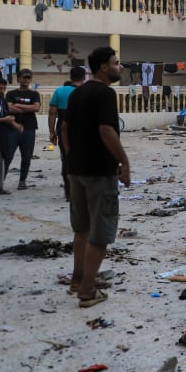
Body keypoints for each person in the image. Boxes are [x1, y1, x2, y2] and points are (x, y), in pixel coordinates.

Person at [62, 46, 128, 309]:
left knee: (82, 228)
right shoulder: (105, 93)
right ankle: (87, 291)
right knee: (100, 233)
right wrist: (124, 161)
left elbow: (64, 127)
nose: (119, 67)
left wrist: (71, 155)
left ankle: (78, 280)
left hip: (76, 170)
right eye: (116, 62)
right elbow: (106, 131)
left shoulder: (78, 93)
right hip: (100, 172)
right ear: (103, 67)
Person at [48, 67, 86, 200]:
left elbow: (52, 113)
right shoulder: (86, 92)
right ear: (84, 76)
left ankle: (69, 191)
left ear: (70, 76)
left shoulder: (59, 91)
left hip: (63, 128)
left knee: (66, 159)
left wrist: (52, 132)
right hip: (82, 129)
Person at [6, 69, 41, 191]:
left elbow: (36, 108)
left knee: (26, 156)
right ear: (19, 79)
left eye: (29, 78)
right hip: (12, 128)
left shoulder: (34, 94)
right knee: (8, 155)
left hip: (29, 128)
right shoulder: (11, 93)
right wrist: (28, 108)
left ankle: (22, 181)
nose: (26, 80)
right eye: (24, 77)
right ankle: (0, 181)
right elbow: (9, 109)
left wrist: (18, 106)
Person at [0, 78, 21, 195]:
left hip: (2, 137)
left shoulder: (3, 101)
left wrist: (15, 124)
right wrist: (3, 119)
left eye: (4, 88)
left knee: (0, 163)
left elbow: (7, 116)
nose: (2, 91)